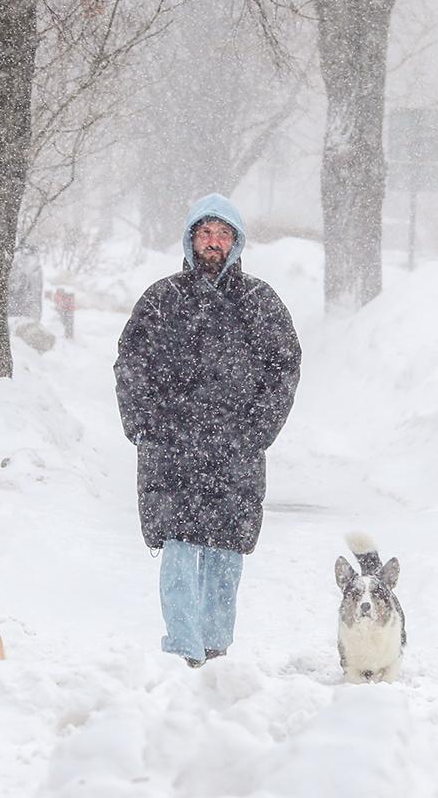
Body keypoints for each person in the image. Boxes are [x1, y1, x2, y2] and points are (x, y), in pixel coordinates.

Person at [114, 193, 301, 668]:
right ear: (190, 238)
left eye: (222, 234)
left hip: (234, 447)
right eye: (205, 233)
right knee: (178, 548)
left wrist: (258, 428)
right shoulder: (161, 301)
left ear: (235, 242)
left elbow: (283, 368)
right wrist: (144, 426)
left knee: (224, 551)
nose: (213, 242)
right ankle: (182, 649)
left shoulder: (260, 304)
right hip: (172, 446)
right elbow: (131, 364)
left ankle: (216, 647)